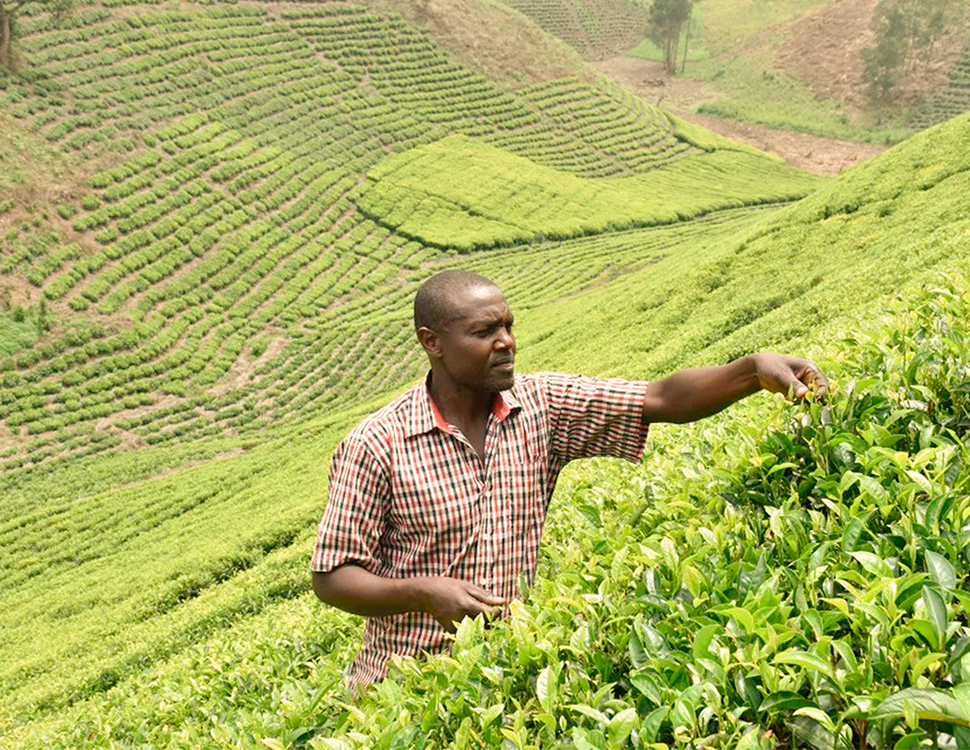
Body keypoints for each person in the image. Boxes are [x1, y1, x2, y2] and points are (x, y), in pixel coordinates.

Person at [310, 270, 828, 689]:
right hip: (403, 684)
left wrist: (751, 371)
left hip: (505, 671)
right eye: (485, 332)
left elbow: (660, 398)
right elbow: (333, 577)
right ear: (433, 343)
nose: (507, 342)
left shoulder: (542, 406)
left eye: (508, 326)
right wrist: (424, 593)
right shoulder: (376, 444)